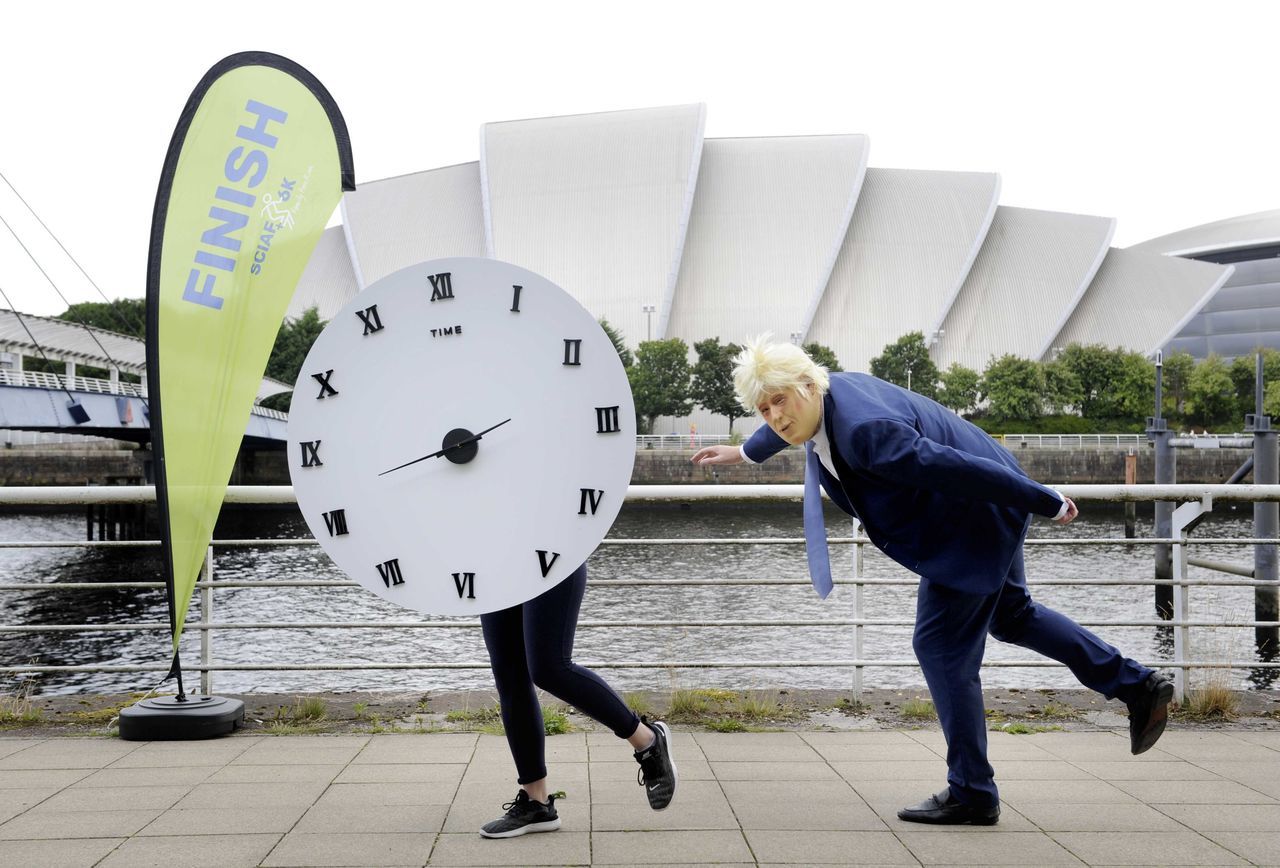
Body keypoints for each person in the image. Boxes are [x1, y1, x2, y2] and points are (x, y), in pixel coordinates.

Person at [691, 336, 1173, 826]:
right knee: (1011, 616)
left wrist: (1042, 498)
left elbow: (952, 468)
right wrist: (744, 453)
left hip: (973, 516)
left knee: (940, 646)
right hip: (982, 509)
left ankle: (973, 793)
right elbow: (792, 423)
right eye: (763, 407)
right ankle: (1137, 685)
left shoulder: (865, 432)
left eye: (780, 401)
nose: (774, 416)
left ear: (810, 385)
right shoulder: (831, 394)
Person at [477, 562, 677, 838]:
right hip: (497, 565)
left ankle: (647, 740)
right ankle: (536, 803)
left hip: (553, 557)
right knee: (510, 676)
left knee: (550, 669)